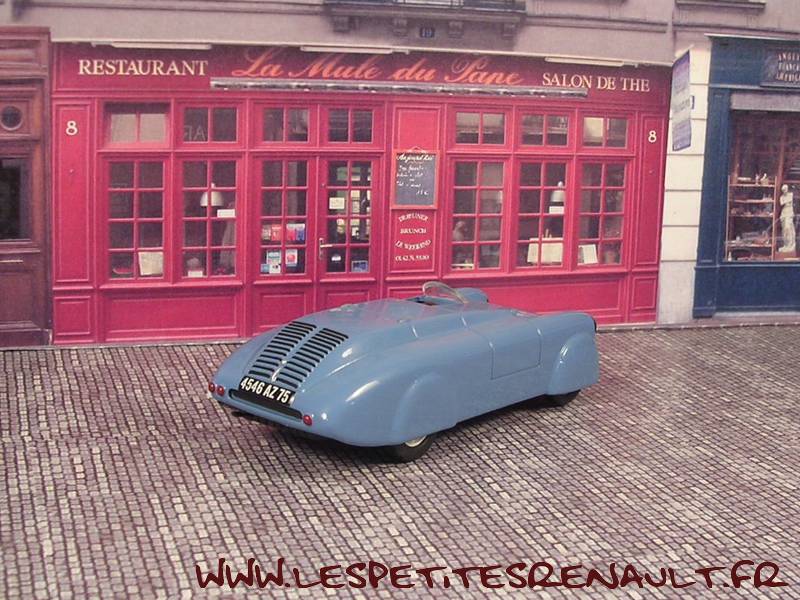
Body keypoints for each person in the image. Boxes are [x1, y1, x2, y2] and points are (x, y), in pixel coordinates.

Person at [779, 184, 795, 253]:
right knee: (784, 230)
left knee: (788, 228)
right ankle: (786, 245)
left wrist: (786, 201)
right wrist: (786, 201)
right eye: (783, 190)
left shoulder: (791, 195)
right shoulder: (781, 197)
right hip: (784, 213)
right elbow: (782, 203)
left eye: (785, 189)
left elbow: (788, 201)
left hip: (789, 212)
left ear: (787, 189)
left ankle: (790, 245)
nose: (784, 191)